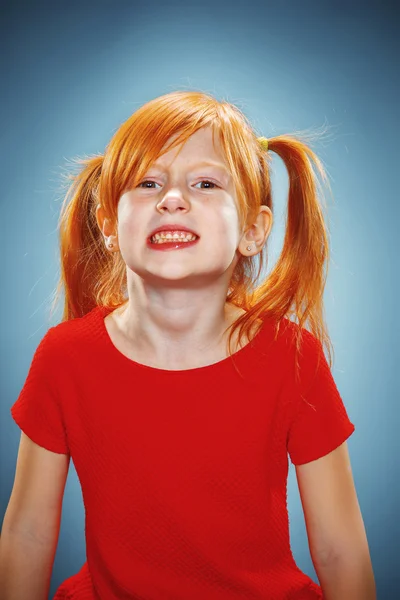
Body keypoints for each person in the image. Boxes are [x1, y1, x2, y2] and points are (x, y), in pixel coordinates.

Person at [0, 90, 376, 599]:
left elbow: (339, 548)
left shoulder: (293, 357)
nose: (171, 198)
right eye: (148, 182)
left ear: (253, 229)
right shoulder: (64, 356)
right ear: (109, 224)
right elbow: (26, 534)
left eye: (204, 183)